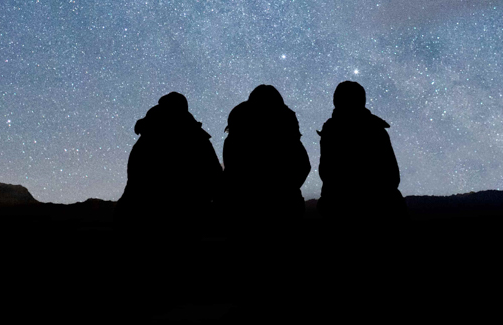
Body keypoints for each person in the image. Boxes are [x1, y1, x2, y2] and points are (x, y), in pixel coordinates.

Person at [117, 92, 222, 231]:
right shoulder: (194, 136)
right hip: (182, 218)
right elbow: (214, 173)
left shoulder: (146, 137)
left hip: (136, 216)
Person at [222, 84, 310, 233]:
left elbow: (231, 169)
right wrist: (286, 190)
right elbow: (303, 166)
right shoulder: (286, 133)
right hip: (285, 209)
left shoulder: (237, 133)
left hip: (243, 209)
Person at [317, 81, 406, 226]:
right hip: (381, 211)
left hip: (344, 210)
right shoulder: (375, 129)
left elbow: (328, 173)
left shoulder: (332, 130)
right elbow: (392, 176)